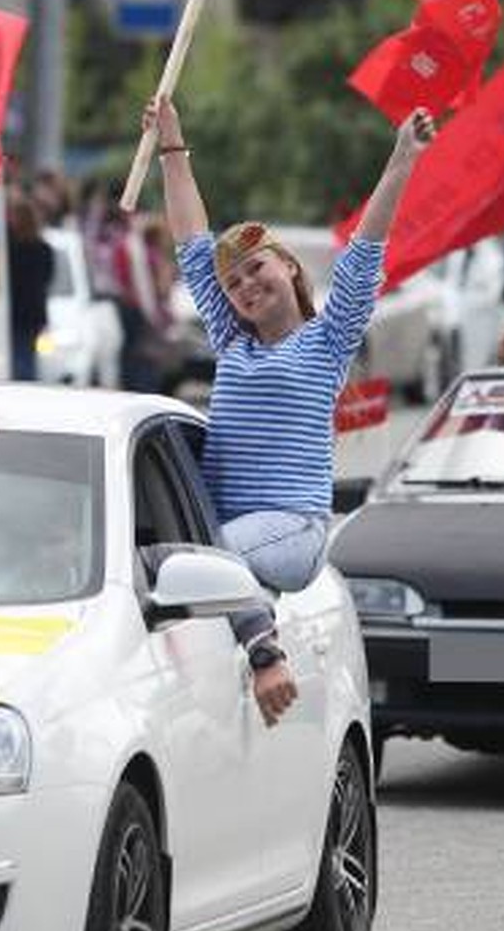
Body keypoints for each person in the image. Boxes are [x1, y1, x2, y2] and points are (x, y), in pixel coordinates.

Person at [145, 95, 434, 726]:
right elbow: (193, 241)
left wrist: (402, 159)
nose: (246, 286)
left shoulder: (328, 341)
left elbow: (365, 250)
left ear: (289, 268)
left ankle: (265, 653)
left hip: (291, 530)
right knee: (159, 561)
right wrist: (172, 146)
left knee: (209, 557)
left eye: (256, 270)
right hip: (231, 530)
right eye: (234, 284)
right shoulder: (230, 339)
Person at [5, 189, 55, 381]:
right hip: (35, 312)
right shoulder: (43, 249)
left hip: (16, 311)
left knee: (19, 358)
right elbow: (48, 279)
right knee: (28, 357)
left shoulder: (12, 249)